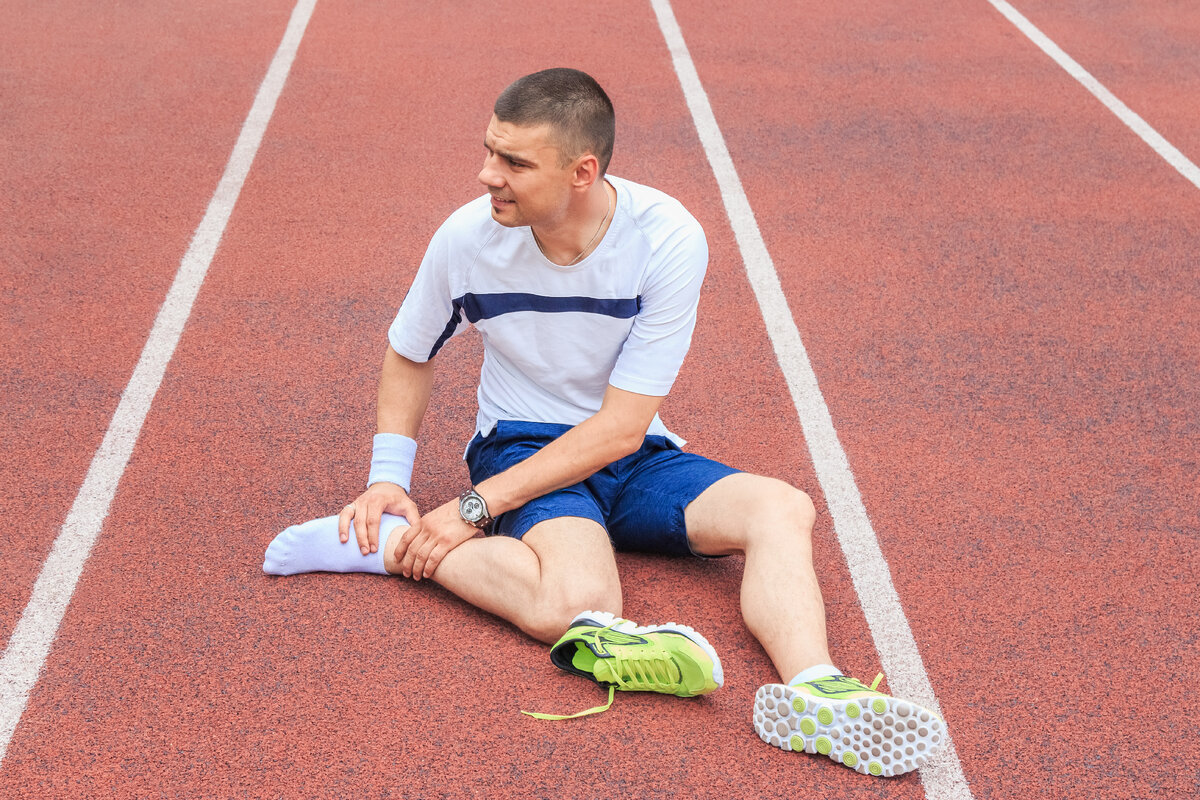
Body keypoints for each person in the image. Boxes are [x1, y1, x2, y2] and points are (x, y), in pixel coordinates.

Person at [264, 68, 944, 777]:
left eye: (514, 162)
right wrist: (388, 480)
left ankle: (815, 690)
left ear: (582, 172)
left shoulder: (666, 238)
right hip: (521, 441)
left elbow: (622, 428)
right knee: (580, 605)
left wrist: (472, 509)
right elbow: (411, 351)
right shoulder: (467, 240)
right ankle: (393, 545)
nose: (487, 174)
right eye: (490, 150)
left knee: (781, 506)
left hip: (634, 448)